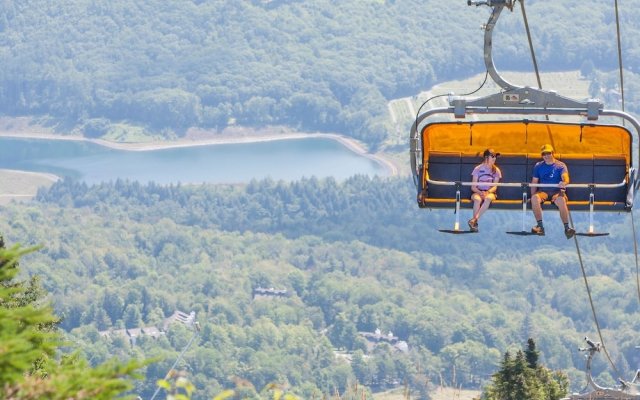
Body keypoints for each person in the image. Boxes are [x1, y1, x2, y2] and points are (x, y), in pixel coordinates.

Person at [530, 144, 576, 238]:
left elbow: (565, 177)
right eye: (543, 154)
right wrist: (532, 196)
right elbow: (534, 182)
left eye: (548, 153)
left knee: (561, 200)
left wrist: (564, 182)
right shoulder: (538, 166)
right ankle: (540, 226)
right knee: (534, 198)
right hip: (543, 192)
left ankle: (567, 228)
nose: (546, 156)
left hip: (557, 192)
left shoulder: (560, 165)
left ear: (552, 153)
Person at [467, 148, 502, 232]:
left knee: (488, 198)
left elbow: (495, 186)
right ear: (486, 157)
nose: (494, 158)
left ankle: (474, 220)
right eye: (492, 156)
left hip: (490, 192)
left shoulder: (496, 170)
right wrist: (480, 192)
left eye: (495, 156)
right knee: (477, 199)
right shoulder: (478, 169)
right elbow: (473, 187)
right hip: (477, 191)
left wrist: (488, 192)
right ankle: (474, 223)